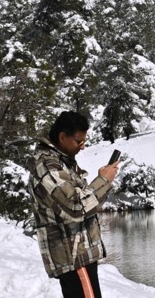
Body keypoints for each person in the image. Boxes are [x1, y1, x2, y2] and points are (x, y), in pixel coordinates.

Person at [29, 111, 120, 298]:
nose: (83, 146)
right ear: (62, 137)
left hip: (78, 254)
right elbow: (75, 207)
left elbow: (79, 200)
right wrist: (104, 181)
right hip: (73, 256)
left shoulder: (61, 163)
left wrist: (101, 179)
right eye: (78, 141)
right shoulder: (48, 167)